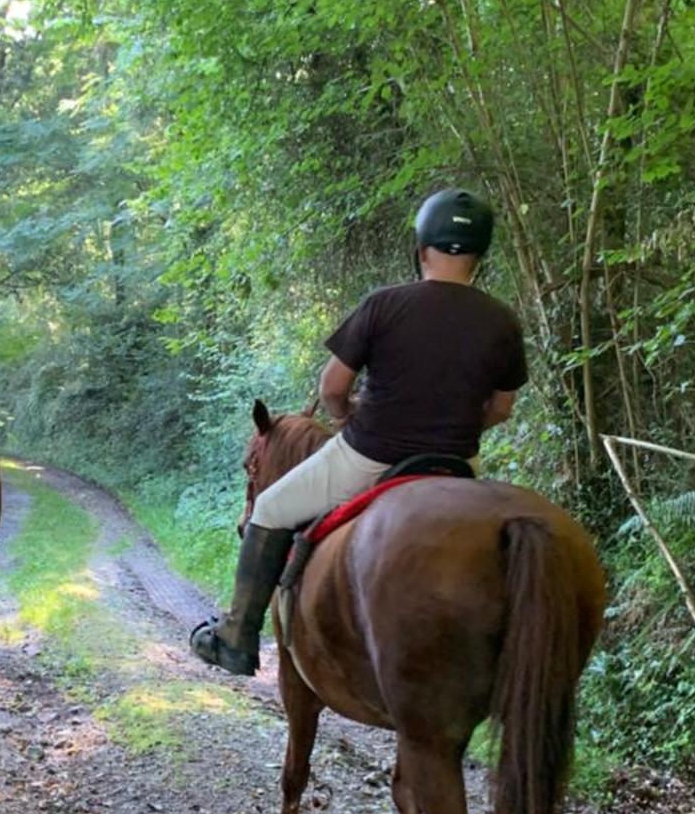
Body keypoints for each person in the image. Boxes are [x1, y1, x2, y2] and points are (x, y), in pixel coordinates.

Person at [190, 189, 527, 676]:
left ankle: (236, 637)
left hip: (370, 455)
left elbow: (332, 387)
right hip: (456, 466)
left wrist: (344, 415)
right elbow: (501, 408)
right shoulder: (502, 320)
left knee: (268, 509)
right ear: (481, 255)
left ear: (421, 248)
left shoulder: (385, 305)